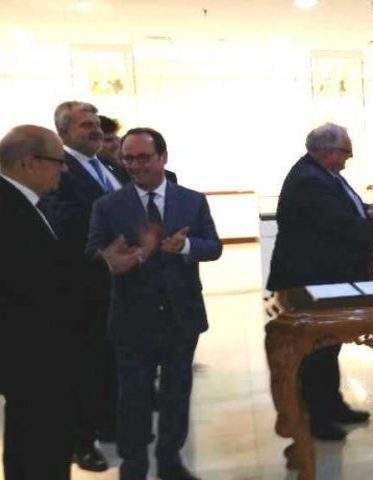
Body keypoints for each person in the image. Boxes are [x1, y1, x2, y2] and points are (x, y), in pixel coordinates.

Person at [86, 127, 222, 480]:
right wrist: (112, 259)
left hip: (181, 315)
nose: (134, 165)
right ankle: (133, 466)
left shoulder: (191, 200)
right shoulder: (108, 205)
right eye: (128, 158)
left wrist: (186, 247)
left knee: (177, 394)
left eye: (143, 158)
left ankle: (170, 461)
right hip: (132, 318)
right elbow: (93, 252)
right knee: (133, 398)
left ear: (163, 157)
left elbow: (213, 246)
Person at [267, 123, 373, 441]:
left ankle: (332, 404)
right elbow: (337, 224)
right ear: (327, 151)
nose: (348, 158)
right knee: (315, 350)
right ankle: (316, 417)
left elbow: (340, 213)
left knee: (329, 344)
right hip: (312, 280)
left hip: (329, 278)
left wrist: (366, 211)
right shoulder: (309, 180)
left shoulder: (324, 174)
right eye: (346, 152)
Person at [0, 125, 75, 480]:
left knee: (31, 439)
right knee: (40, 444)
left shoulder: (21, 202)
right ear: (30, 162)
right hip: (31, 353)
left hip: (32, 354)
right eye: (58, 161)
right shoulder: (8, 208)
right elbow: (36, 282)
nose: (64, 169)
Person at [50, 100, 121, 471]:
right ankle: (81, 442)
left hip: (115, 284)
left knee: (108, 360)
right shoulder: (60, 170)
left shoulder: (106, 166)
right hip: (84, 285)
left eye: (96, 124)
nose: (95, 130)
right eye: (85, 125)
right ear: (63, 132)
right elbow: (65, 223)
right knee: (84, 366)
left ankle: (108, 424)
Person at [99, 115, 178, 185]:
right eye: (108, 140)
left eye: (117, 138)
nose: (117, 144)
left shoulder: (166, 177)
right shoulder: (102, 178)